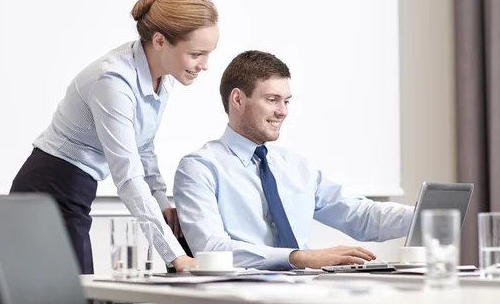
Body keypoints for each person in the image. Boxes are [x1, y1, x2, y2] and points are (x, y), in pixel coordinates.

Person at [10, 0, 219, 274]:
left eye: (208, 54)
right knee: (71, 300)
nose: (204, 66)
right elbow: (128, 177)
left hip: (76, 190)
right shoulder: (113, 80)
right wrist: (174, 256)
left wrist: (161, 203)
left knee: (80, 298)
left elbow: (143, 146)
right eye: (196, 54)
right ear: (160, 41)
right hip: (47, 189)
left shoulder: (162, 77)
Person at [173, 50, 414, 270]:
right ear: (237, 99)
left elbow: (360, 215)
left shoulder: (296, 166)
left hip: (305, 292)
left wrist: (425, 213)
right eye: (272, 100)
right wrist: (300, 257)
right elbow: (211, 249)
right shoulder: (199, 168)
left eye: (286, 101)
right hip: (241, 297)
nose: (283, 111)